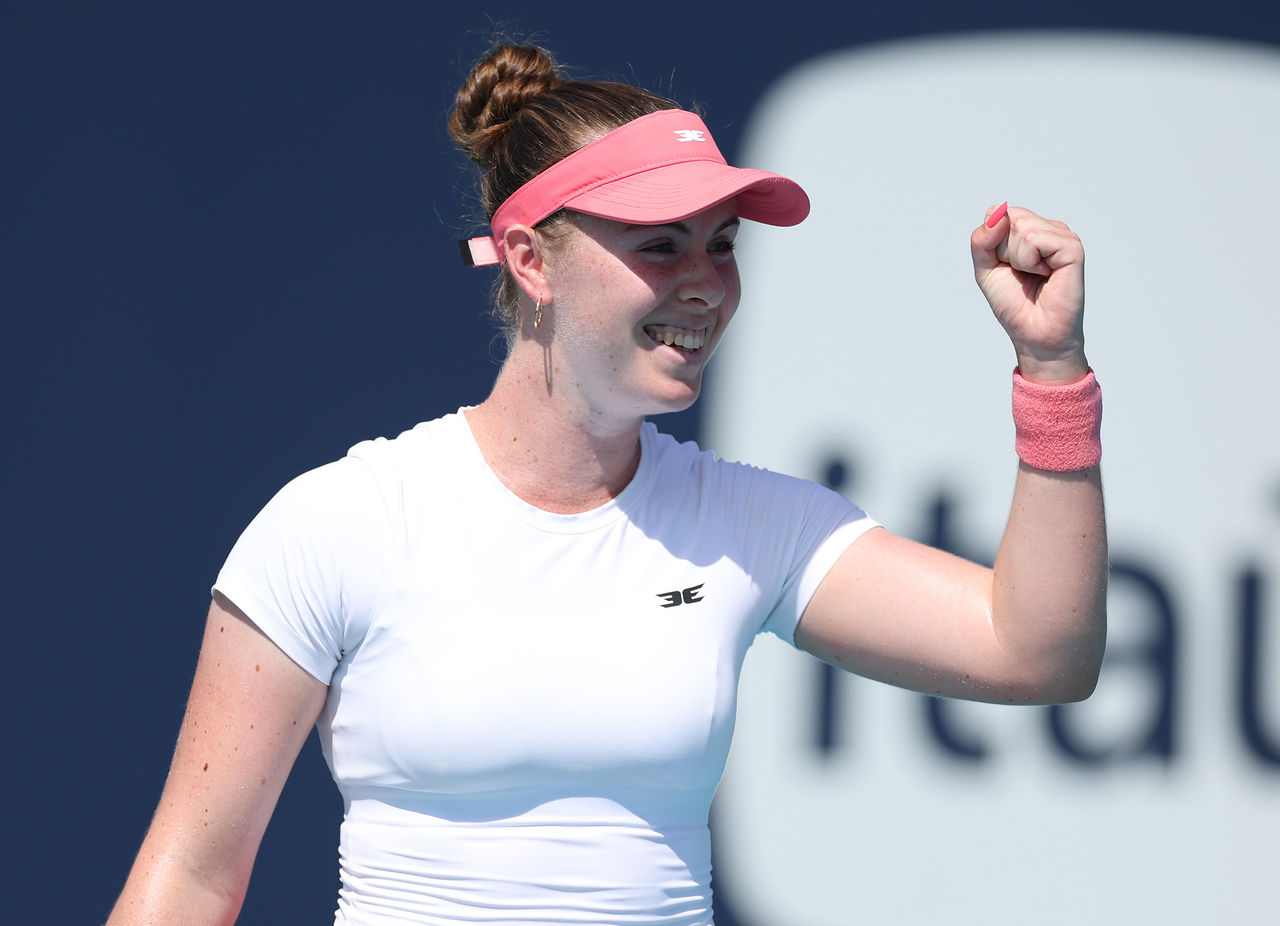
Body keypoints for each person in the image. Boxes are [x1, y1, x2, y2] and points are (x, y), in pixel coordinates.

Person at [106, 40, 1107, 926]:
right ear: (528, 258)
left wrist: (1050, 372)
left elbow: (1035, 651)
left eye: (721, 244)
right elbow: (191, 878)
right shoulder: (339, 522)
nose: (705, 282)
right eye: (658, 243)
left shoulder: (745, 521)